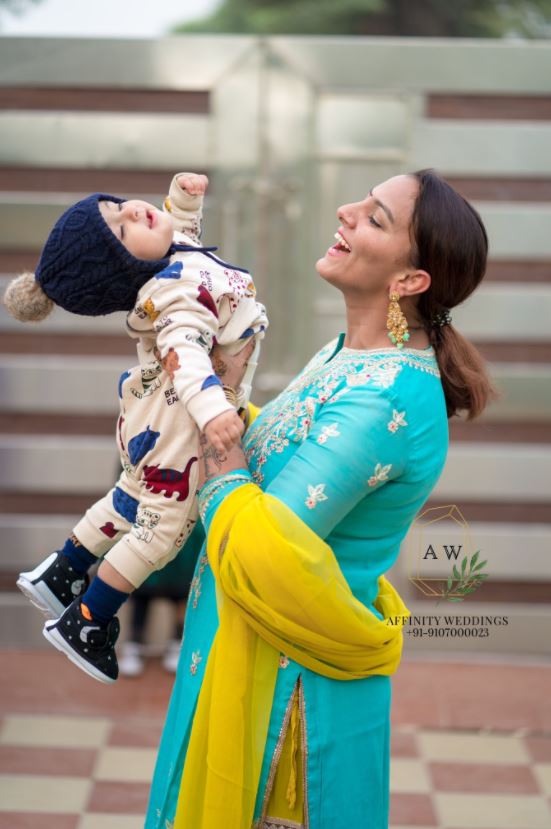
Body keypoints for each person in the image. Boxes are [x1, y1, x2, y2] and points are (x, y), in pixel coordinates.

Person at [144, 169, 497, 829]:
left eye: (374, 217)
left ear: (409, 280)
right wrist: (206, 384)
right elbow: (277, 461)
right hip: (247, 649)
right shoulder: (345, 356)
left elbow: (263, 543)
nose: (344, 210)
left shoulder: (389, 392)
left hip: (291, 697)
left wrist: (215, 419)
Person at [3, 172, 268, 684]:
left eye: (118, 206)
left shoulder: (172, 255)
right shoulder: (174, 298)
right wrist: (214, 410)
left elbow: (180, 230)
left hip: (154, 412)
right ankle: (87, 620)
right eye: (122, 231)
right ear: (126, 268)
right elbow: (186, 353)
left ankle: (62, 571)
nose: (133, 212)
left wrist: (184, 201)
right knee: (163, 527)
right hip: (178, 417)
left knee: (130, 495)